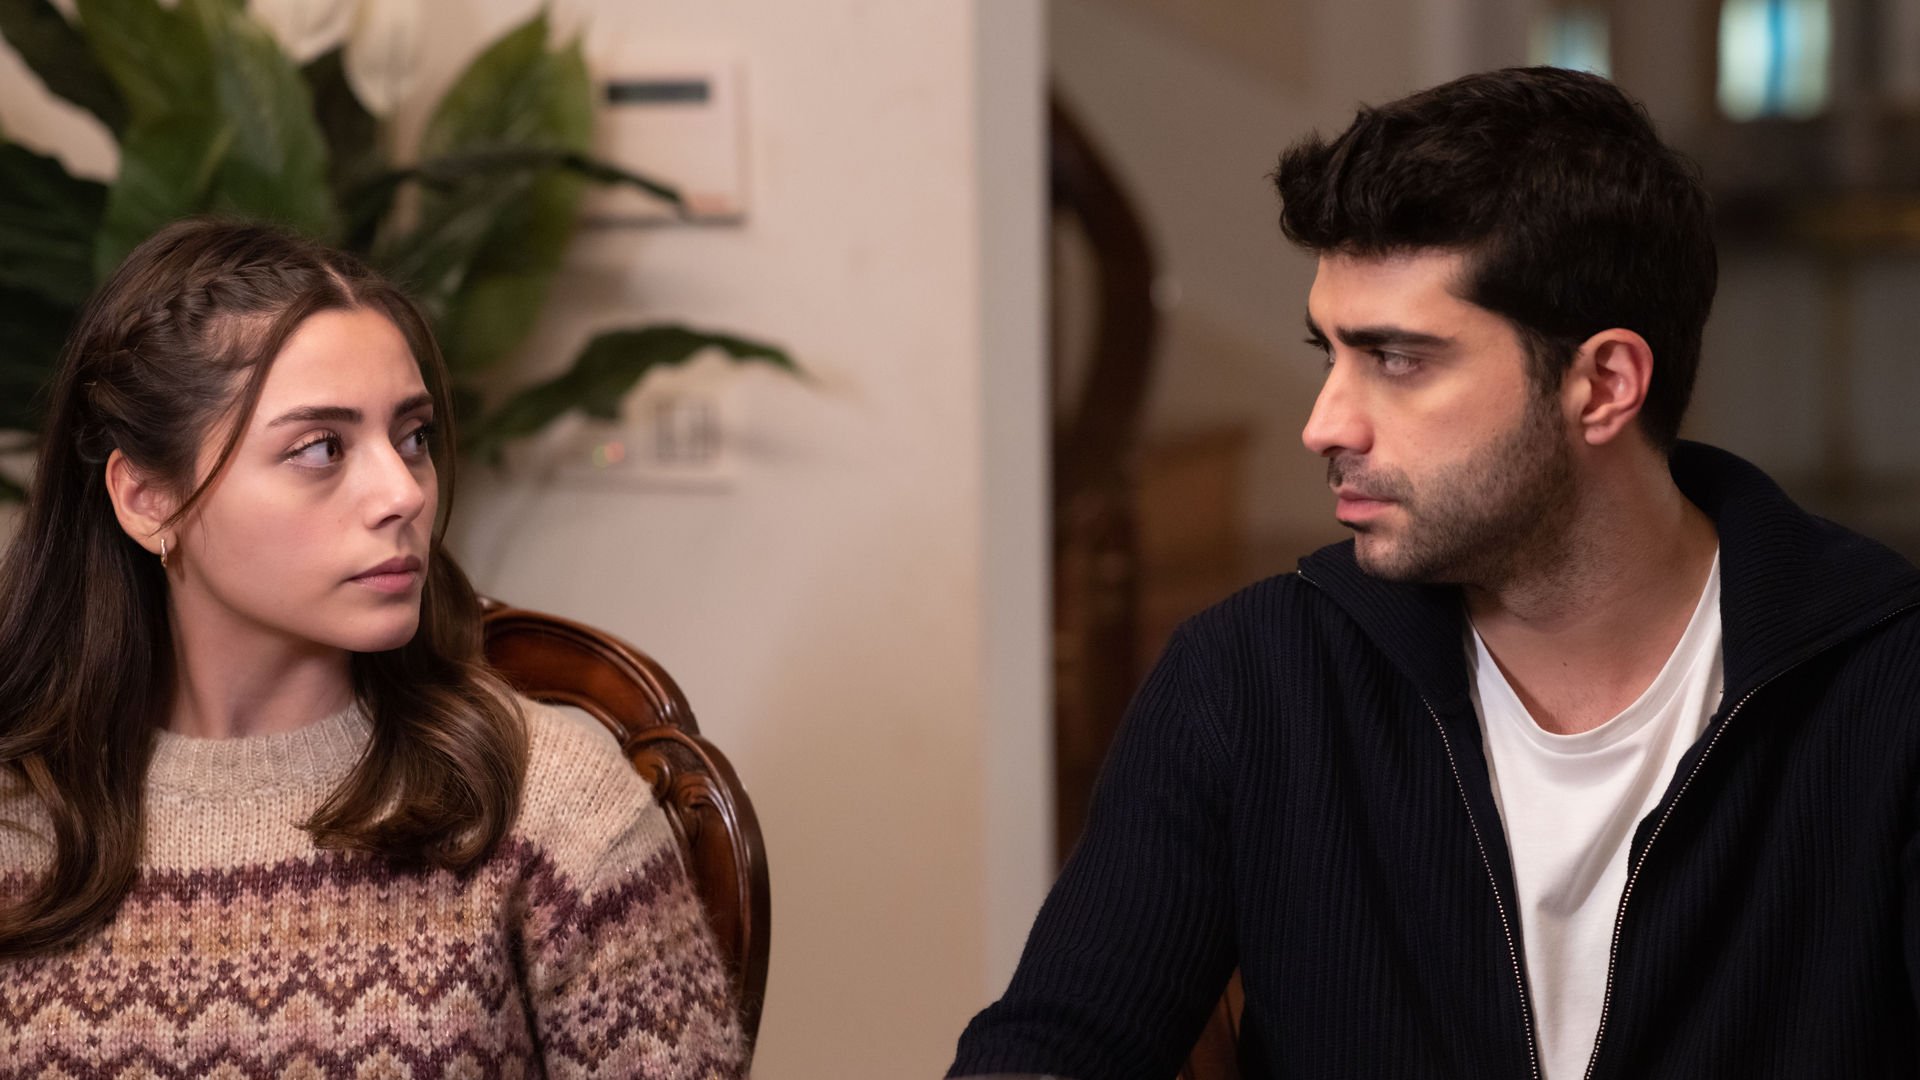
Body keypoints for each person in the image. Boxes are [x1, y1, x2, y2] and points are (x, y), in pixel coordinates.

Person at [949, 66, 1920, 1080]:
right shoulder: (1252, 679)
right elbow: (1055, 1044)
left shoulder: (1889, 687)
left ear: (1604, 385)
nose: (1326, 423)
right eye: (1330, 354)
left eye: (1398, 360)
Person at [0, 218, 746, 1078]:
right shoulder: (19, 818)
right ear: (147, 500)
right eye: (321, 448)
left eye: (413, 437)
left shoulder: (557, 817)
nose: (403, 492)